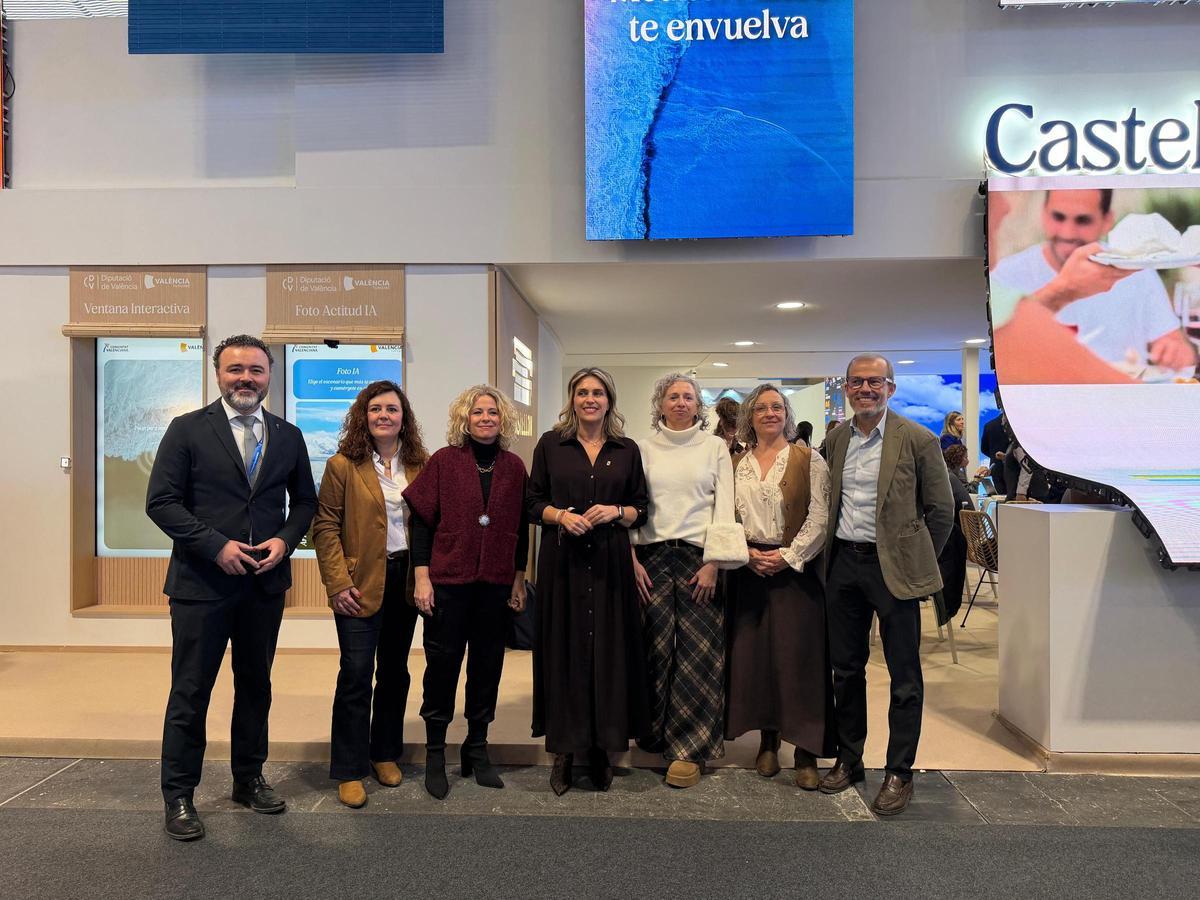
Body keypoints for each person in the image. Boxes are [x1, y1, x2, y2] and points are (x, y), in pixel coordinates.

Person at [146, 334, 317, 841]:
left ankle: (248, 778)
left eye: (256, 370)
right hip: (201, 584)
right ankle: (179, 795)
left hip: (263, 585)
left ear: (269, 377)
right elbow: (162, 502)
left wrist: (286, 540)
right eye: (235, 369)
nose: (246, 378)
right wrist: (215, 546)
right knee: (191, 690)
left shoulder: (288, 435)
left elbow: (305, 502)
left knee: (256, 685)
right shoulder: (186, 429)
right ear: (218, 374)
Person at [819, 353, 954, 817]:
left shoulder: (917, 439)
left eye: (875, 382)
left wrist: (913, 559)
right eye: (857, 382)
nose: (865, 389)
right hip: (843, 566)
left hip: (892, 570)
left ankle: (899, 771)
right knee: (845, 670)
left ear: (890, 388)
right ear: (846, 389)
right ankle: (849, 759)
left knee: (904, 675)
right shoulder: (836, 440)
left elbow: (941, 511)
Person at [527, 367, 651, 795]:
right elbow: (532, 502)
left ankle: (601, 748)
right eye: (582, 392)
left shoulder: (627, 449)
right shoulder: (551, 444)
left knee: (608, 652)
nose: (590, 399)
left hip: (610, 562)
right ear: (572, 399)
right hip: (563, 560)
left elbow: (640, 508)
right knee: (564, 651)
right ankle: (564, 751)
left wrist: (616, 511)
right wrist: (560, 516)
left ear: (609, 400)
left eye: (598, 392)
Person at [402, 386, 529, 799]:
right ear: (465, 418)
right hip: (448, 583)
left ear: (503, 420)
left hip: (495, 585)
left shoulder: (514, 467)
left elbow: (521, 529)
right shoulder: (444, 461)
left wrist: (519, 577)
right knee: (442, 668)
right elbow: (422, 522)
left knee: (487, 668)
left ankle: (477, 748)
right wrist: (422, 577)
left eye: (493, 412)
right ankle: (435, 753)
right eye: (478, 412)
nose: (486, 418)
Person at [312, 380, 429, 809]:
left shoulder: (420, 465)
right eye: (376, 409)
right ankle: (349, 769)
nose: (384, 416)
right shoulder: (343, 465)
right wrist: (338, 583)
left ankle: (384, 753)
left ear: (404, 417)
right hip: (359, 583)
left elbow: (430, 524)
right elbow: (324, 526)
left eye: (392, 409)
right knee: (356, 674)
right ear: (364, 416)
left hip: (405, 580)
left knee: (395, 672)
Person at [630, 373, 746, 788]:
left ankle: (689, 748)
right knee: (655, 648)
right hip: (651, 558)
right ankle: (653, 732)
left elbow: (724, 506)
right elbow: (633, 505)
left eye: (688, 397)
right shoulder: (641, 449)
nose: (681, 402)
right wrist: (631, 557)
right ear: (660, 404)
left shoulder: (714, 448)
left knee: (699, 653)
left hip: (700, 558)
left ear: (699, 405)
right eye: (673, 396)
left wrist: (715, 561)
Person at [725, 384, 836, 790]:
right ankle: (768, 739)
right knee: (756, 659)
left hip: (796, 570)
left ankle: (805, 749)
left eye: (777, 407)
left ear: (786, 414)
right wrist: (746, 553)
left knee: (800, 659)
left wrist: (788, 556)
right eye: (761, 408)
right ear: (749, 416)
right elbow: (725, 515)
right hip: (748, 569)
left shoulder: (809, 459)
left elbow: (820, 516)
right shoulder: (736, 463)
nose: (770, 413)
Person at [991, 188, 1195, 371]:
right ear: (1043, 215)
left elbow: (1180, 350)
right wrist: (1064, 289)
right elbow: (991, 351)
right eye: (1058, 217)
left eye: (1083, 220)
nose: (1068, 233)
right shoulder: (1004, 275)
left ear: (1107, 221)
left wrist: (1174, 352)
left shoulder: (1136, 270)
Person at [936, 445, 972, 624]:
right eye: (966, 457)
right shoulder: (951, 477)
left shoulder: (947, 477)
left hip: (959, 536)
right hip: (965, 535)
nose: (968, 461)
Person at [980, 414, 1008, 496]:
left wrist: (994, 456)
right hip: (1015, 469)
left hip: (996, 468)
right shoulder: (1016, 425)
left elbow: (983, 448)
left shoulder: (989, 425)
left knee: (1000, 498)